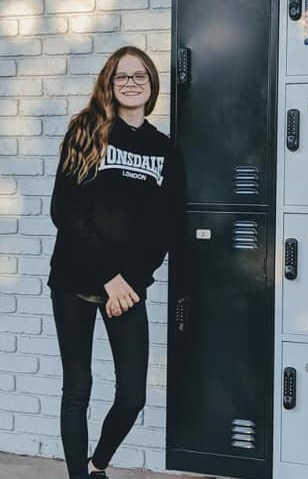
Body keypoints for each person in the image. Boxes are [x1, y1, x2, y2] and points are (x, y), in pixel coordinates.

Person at [47, 46, 185, 479]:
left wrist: (132, 282)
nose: (130, 83)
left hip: (127, 289)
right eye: (121, 76)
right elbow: (65, 212)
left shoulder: (164, 150)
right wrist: (109, 278)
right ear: (110, 83)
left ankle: (96, 465)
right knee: (78, 390)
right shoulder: (87, 130)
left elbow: (167, 226)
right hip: (74, 280)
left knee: (132, 395)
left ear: (151, 85)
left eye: (139, 76)